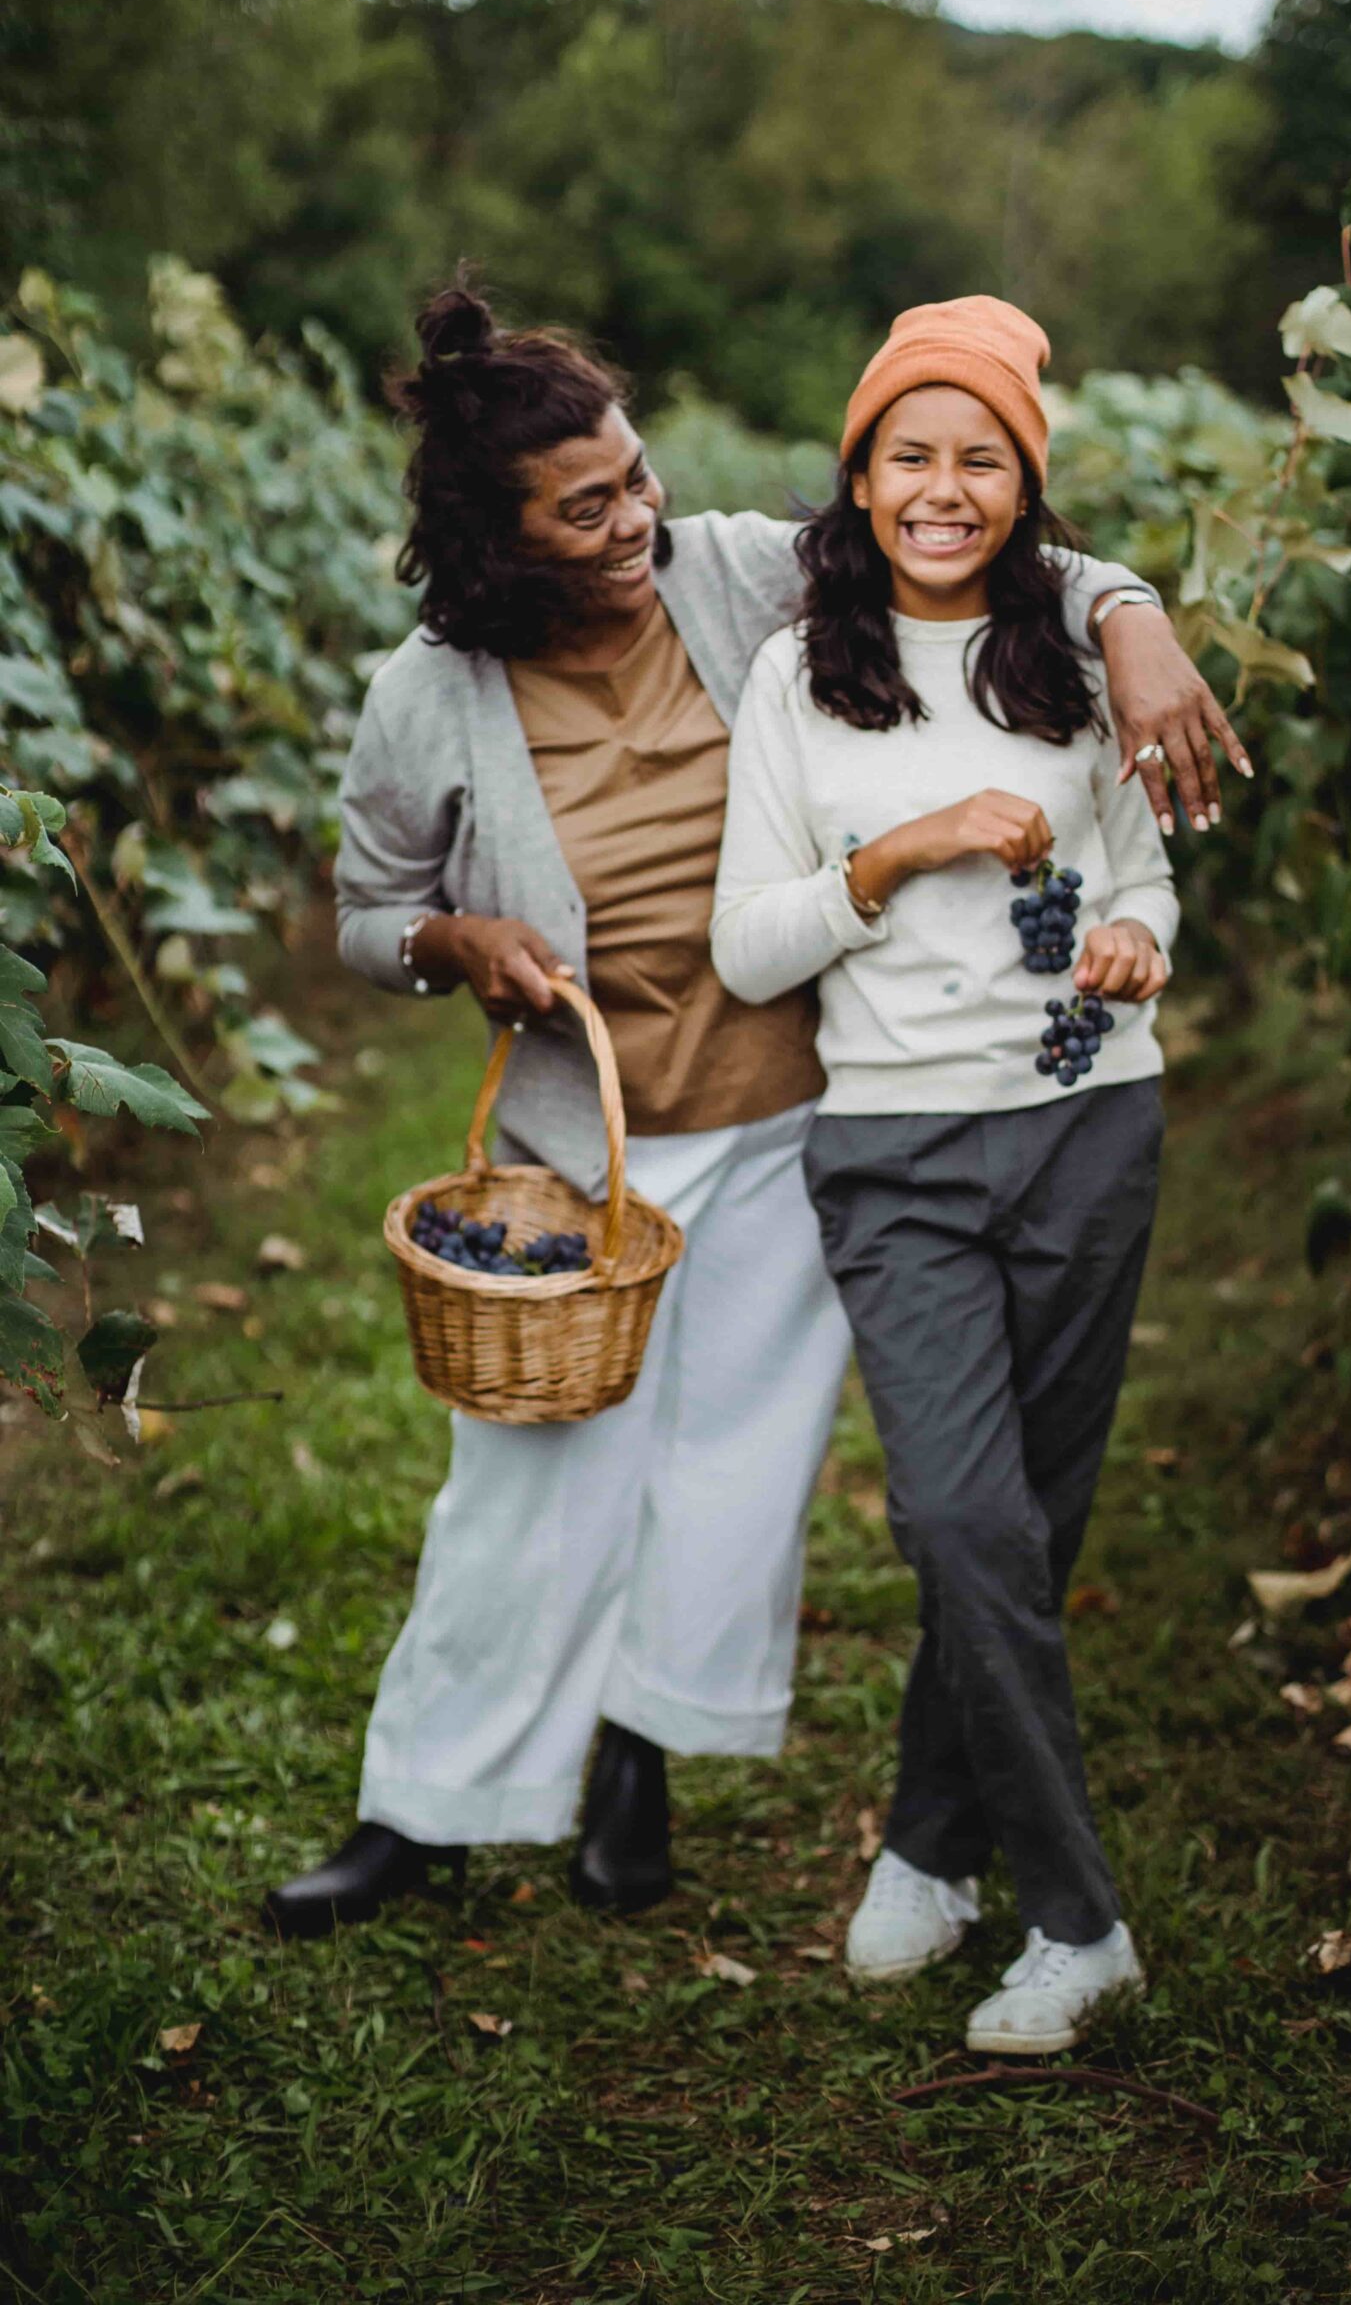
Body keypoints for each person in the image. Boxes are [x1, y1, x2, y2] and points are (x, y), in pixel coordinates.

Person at [262, 282, 1242, 1940]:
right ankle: (421, 1808)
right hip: (592, 1152)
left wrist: (1133, 614)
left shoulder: (725, 573)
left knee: (734, 1470)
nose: (638, 517)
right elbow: (367, 911)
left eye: (637, 477)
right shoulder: (428, 696)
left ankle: (640, 1764)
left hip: (797, 1121)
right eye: (588, 506)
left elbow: (971, 536)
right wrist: (450, 940)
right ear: (497, 535)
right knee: (520, 1488)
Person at [711, 297, 1175, 2054]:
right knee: (960, 1516)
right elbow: (750, 948)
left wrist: (1136, 941)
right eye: (912, 454)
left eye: (982, 460)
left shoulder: (1066, 646)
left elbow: (1146, 876)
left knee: (1026, 1534)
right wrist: (897, 850)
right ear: (861, 476)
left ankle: (930, 1836)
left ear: (1025, 489)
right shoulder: (797, 676)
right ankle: (1079, 1918)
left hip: (1088, 1127)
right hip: (893, 1151)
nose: (944, 487)